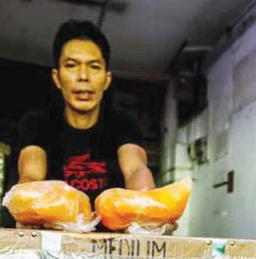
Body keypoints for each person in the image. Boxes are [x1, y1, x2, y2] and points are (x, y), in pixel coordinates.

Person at [16, 20, 156, 205]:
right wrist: (26, 204)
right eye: (72, 65)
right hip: (53, 231)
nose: (83, 76)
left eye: (94, 66)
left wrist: (148, 203)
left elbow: (136, 169)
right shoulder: (37, 123)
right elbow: (31, 174)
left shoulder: (123, 122)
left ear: (106, 80)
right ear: (57, 78)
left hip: (110, 233)